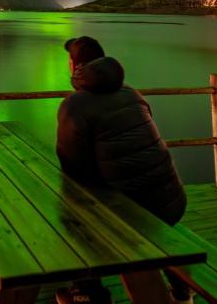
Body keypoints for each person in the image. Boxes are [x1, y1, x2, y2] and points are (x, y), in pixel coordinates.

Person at [56, 36, 191, 304]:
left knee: (75, 212)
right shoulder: (132, 94)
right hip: (171, 201)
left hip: (132, 213)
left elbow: (74, 172)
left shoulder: (74, 107)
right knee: (149, 224)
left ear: (74, 66)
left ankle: (86, 293)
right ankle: (182, 292)